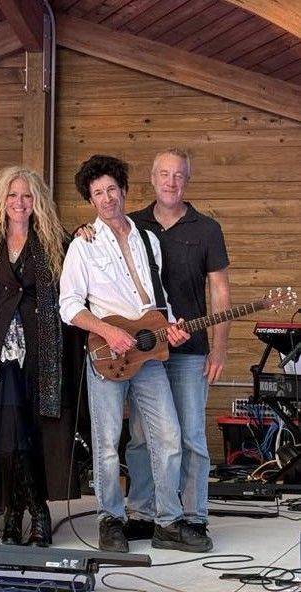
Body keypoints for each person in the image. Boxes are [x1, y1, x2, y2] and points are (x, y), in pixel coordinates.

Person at [59, 154, 212, 553]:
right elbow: (69, 306)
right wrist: (108, 331)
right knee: (107, 443)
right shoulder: (83, 245)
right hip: (107, 354)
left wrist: (171, 325)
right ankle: (110, 519)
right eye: (98, 193)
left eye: (112, 189)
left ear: (124, 191)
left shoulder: (148, 240)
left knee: (170, 437)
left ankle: (168, 522)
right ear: (90, 200)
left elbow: (157, 300)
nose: (107, 198)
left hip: (148, 353)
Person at [0, 166, 80, 548]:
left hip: (42, 355)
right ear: (2, 200)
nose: (19, 202)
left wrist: (86, 233)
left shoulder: (57, 241)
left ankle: (18, 515)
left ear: (37, 200)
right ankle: (30, 511)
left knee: (32, 434)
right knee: (8, 435)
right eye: (12, 195)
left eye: (27, 196)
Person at [125, 149, 230, 544]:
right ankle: (141, 512)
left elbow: (220, 292)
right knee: (140, 435)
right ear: (152, 178)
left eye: (179, 175)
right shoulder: (132, 225)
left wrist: (219, 349)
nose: (171, 182)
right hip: (145, 351)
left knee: (190, 437)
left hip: (190, 352)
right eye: (164, 174)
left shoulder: (207, 229)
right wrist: (85, 231)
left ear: (188, 180)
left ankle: (192, 515)